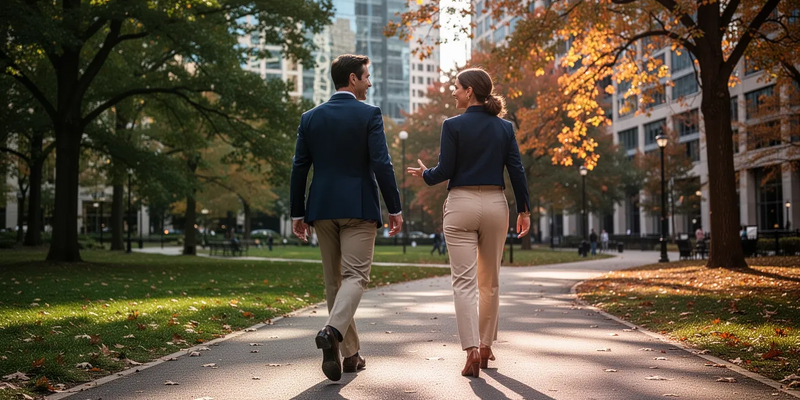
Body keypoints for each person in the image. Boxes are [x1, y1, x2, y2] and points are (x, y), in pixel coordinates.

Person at [408, 67, 530, 378]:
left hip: (461, 204)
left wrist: (424, 174)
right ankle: (487, 347)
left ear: (470, 92)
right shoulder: (505, 128)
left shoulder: (452, 125)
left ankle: (471, 349)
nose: (453, 92)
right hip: (495, 204)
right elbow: (517, 171)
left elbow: (443, 171)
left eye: (457, 88)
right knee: (490, 282)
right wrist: (524, 209)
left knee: (464, 283)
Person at [290, 54, 403, 382]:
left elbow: (300, 167)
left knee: (333, 282)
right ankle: (332, 331)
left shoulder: (310, 118)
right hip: (358, 208)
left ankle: (350, 355)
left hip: (321, 208)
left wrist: (298, 212)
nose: (370, 82)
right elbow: (382, 162)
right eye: (366, 76)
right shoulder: (369, 114)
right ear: (352, 79)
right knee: (356, 277)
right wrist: (394, 207)